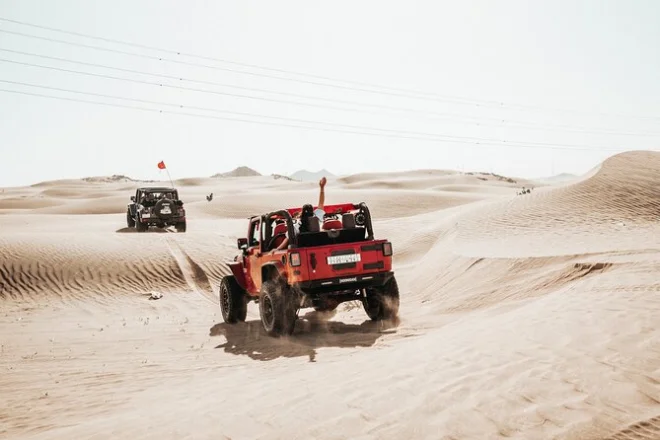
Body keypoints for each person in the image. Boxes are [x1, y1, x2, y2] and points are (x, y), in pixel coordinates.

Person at [270, 177, 326, 254]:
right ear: (313, 211)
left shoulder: (297, 226)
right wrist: (322, 187)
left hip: (303, 252)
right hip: (320, 249)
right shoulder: (317, 219)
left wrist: (277, 249)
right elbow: (321, 203)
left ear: (302, 212)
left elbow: (288, 239)